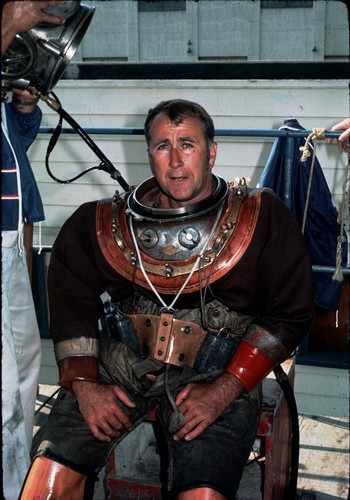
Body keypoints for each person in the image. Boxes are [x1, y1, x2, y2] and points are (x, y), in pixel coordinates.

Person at [20, 99, 315, 499]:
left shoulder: (261, 218)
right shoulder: (100, 224)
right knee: (47, 481)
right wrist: (86, 386)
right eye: (163, 146)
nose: (175, 161)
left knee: (202, 495)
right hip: (121, 367)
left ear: (211, 151)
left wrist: (227, 389)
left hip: (217, 372)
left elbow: (290, 315)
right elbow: (71, 300)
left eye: (187, 145)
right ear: (149, 154)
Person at [1, 2, 65, 498]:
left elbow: (16, 142)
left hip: (12, 232)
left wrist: (24, 100)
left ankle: (19, 474)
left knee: (26, 368)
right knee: (2, 385)